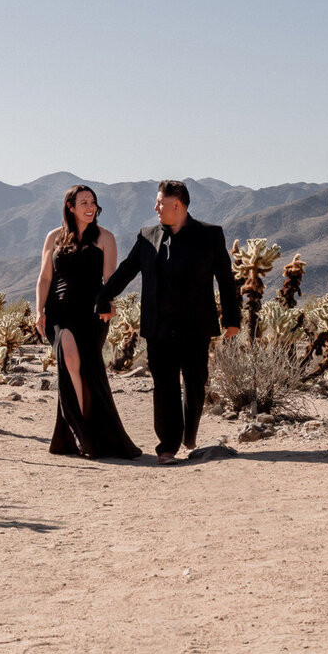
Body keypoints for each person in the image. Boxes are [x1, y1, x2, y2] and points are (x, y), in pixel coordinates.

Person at [97, 180, 240, 464]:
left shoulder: (210, 235)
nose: (156, 207)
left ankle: (189, 433)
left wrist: (233, 319)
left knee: (196, 381)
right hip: (158, 325)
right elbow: (126, 270)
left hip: (195, 325)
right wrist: (103, 296)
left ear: (178, 205)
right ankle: (167, 446)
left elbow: (225, 278)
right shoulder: (147, 236)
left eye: (160, 202)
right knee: (164, 385)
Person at [34, 185, 142, 460]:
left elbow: (110, 280)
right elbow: (45, 277)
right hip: (59, 312)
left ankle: (86, 435)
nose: (90, 207)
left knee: (88, 372)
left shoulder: (106, 237)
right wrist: (39, 311)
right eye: (84, 202)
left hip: (92, 315)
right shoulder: (54, 238)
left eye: (93, 202)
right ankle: (83, 434)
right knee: (70, 358)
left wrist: (109, 303)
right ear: (70, 207)